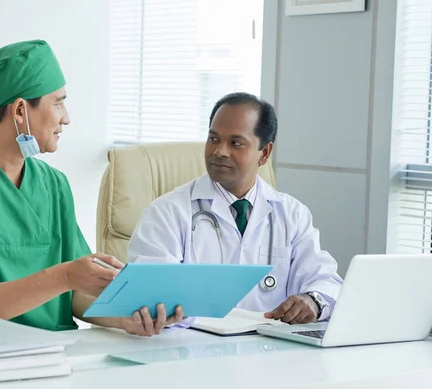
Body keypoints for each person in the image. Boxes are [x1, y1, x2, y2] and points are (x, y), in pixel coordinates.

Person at [0, 39, 182, 334]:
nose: (66, 118)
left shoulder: (54, 184)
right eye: (58, 102)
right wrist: (65, 275)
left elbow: (75, 295)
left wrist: (123, 319)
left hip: (50, 355)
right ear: (21, 111)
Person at [128, 92, 343, 329]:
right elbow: (150, 294)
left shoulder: (291, 214)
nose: (220, 151)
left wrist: (313, 301)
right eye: (213, 139)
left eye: (235, 143)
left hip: (269, 351)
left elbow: (326, 280)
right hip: (190, 349)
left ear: (265, 153)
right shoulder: (166, 212)